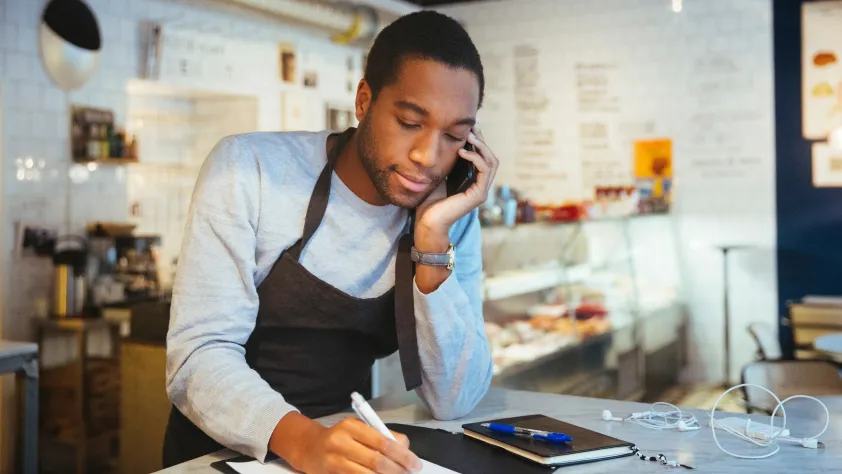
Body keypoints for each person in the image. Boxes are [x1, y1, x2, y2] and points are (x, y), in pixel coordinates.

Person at [162, 10, 499, 474]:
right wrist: (307, 443)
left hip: (341, 453)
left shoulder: (448, 213)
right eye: (408, 121)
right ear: (364, 101)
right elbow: (198, 357)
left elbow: (453, 398)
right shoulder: (249, 169)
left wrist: (431, 241)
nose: (427, 157)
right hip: (220, 454)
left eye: (454, 136)